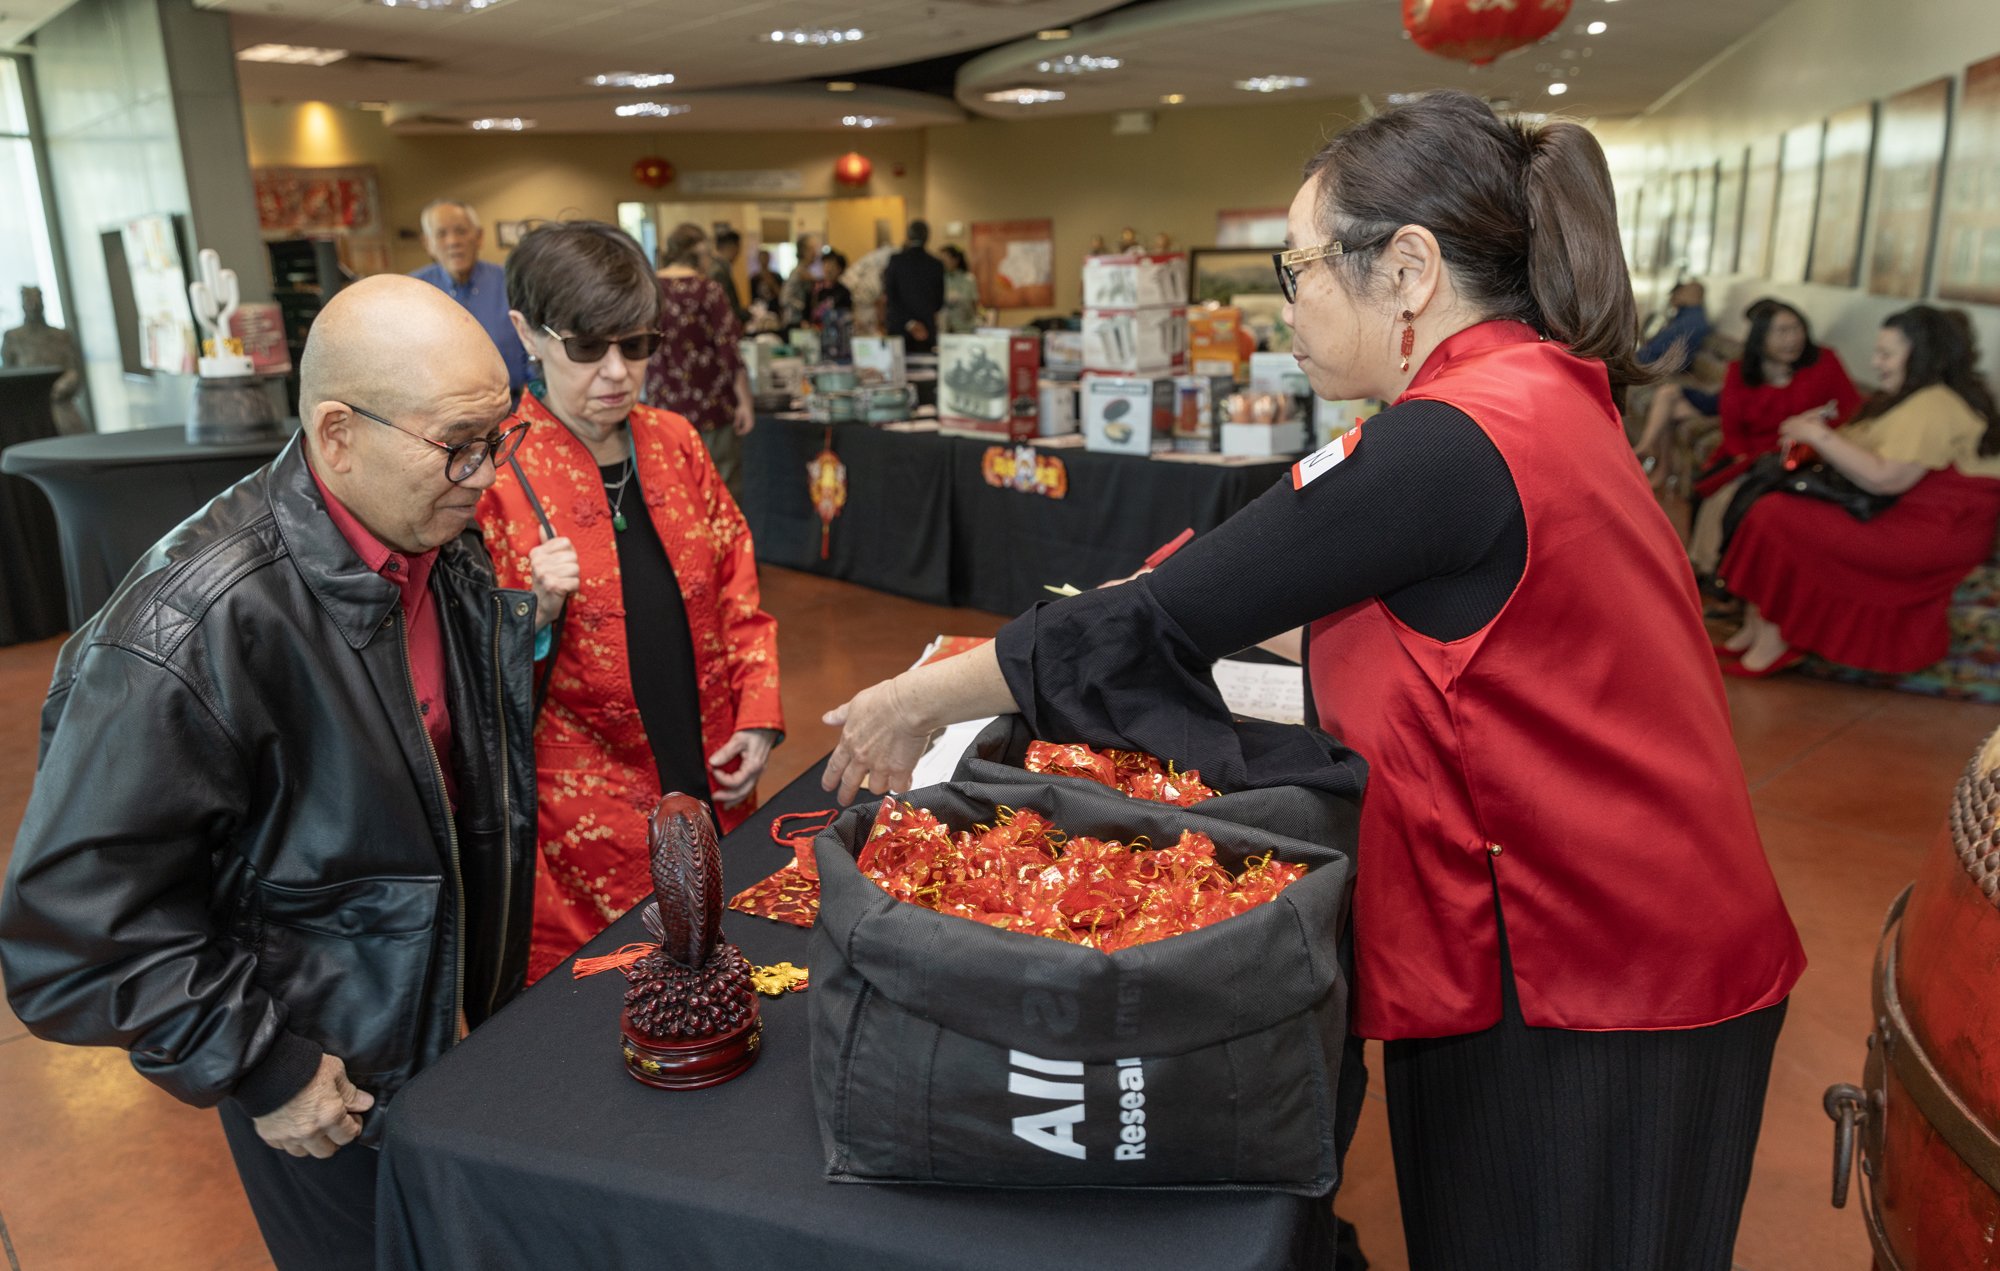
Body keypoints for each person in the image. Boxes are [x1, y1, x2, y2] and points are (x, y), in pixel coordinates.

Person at [822, 91, 1803, 1271]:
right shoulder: (1515, 395)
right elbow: (1404, 618)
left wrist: (913, 699)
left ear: (1407, 270)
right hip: (1579, 933)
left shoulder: (1451, 438)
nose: (1285, 305)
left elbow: (1167, 612)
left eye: (1296, 269)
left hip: (1596, 963)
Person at [0, 275, 570, 1270]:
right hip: (325, 1079)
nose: (486, 475)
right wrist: (263, 1062)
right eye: (458, 444)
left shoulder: (437, 537)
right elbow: (69, 927)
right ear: (337, 433)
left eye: (498, 437)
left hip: (444, 1029)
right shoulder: (194, 626)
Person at [487, 220, 784, 983]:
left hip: (708, 761)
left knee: (732, 970)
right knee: (620, 991)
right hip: (586, 814)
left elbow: (737, 588)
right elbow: (465, 682)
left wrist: (757, 714)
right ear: (527, 332)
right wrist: (528, 613)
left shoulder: (675, 440)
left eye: (638, 345)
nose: (617, 372)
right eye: (588, 347)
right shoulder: (494, 476)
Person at [1716, 305, 2000, 676]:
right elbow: (1850, 453)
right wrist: (1811, 438)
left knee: (1774, 515)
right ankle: (1757, 630)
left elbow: (1886, 479)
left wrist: (1818, 436)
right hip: (1900, 512)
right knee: (1767, 505)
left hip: (1931, 532)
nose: (1875, 362)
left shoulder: (1934, 405)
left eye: (1886, 355)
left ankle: (1776, 640)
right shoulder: (1903, 398)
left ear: (1922, 357)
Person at [1681, 300, 1865, 573]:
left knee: (1743, 498)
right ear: (1761, 337)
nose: (1792, 339)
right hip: (1749, 455)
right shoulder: (1739, 372)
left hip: (1803, 454)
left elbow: (1853, 413)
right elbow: (1732, 429)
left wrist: (1816, 426)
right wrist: (1743, 459)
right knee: (1713, 494)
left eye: (1797, 329)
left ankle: (1724, 572)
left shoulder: (1825, 361)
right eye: (1781, 331)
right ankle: (1708, 566)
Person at [643, 222, 755, 497]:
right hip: (711, 406)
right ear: (698, 253)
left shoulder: (649, 291)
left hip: (663, 406)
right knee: (720, 486)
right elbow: (729, 350)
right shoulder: (709, 290)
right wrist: (745, 401)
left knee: (673, 486)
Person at [410, 198, 531, 397]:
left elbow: (535, 346)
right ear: (427, 244)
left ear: (479, 237)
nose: (453, 242)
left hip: (513, 403)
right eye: (441, 234)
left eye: (461, 231)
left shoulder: (512, 282)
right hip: (441, 410)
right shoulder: (412, 291)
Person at [2, 284, 87, 433]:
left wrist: (66, 383)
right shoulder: (13, 337)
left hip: (60, 405)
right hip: (28, 410)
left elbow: (74, 370)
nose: (33, 306)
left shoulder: (61, 336)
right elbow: (9, 377)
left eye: (36, 300)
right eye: (29, 301)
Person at [881, 219, 945, 353]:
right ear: (927, 237)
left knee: (897, 364)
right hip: (925, 330)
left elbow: (890, 297)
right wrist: (920, 322)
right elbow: (939, 302)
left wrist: (910, 323)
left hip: (899, 328)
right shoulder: (936, 264)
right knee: (926, 364)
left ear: (908, 236)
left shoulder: (896, 261)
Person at [1638, 278, 1711, 375]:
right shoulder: (1684, 317)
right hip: (1654, 362)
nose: (1678, 294)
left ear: (1693, 296)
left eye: (1683, 291)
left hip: (1656, 365)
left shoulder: (1690, 322)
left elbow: (1656, 350)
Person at [780, 234, 821, 328]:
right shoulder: (797, 273)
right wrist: (804, 307)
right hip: (795, 322)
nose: (815, 253)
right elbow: (784, 298)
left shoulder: (807, 272)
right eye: (811, 249)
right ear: (802, 251)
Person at [940, 244, 980, 334]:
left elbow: (974, 304)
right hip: (944, 327)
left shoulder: (968, 279)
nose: (942, 264)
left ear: (955, 260)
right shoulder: (940, 278)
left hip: (965, 327)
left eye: (945, 260)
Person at [710, 226, 746, 322]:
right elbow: (727, 305)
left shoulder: (715, 266)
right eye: (738, 248)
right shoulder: (719, 271)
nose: (738, 253)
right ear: (732, 247)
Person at [750, 248, 784, 314]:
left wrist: (772, 284)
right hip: (760, 312)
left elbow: (782, 295)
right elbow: (753, 299)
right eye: (762, 258)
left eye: (765, 257)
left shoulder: (776, 276)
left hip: (775, 310)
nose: (764, 260)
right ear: (758, 260)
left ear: (769, 259)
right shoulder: (754, 279)